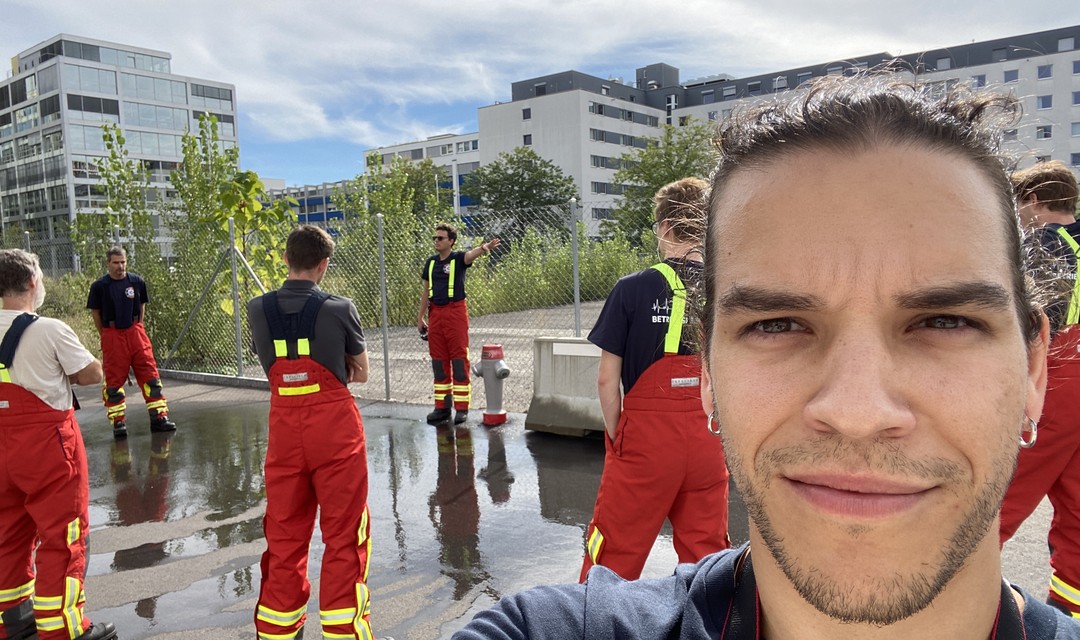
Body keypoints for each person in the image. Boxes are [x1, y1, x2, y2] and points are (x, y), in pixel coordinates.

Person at [451, 75, 1080, 639]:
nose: (857, 412)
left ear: (1033, 370)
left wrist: (617, 430)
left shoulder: (632, 287)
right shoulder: (548, 630)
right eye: (777, 325)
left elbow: (608, 375)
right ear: (709, 378)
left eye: (945, 321)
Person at [579, 177, 730, 582]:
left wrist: (619, 439)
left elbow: (606, 382)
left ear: (664, 229)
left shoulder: (631, 290)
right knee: (708, 558)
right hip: (708, 440)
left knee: (612, 554)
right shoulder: (724, 290)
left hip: (645, 443)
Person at [247, 224, 374, 640]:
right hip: (334, 431)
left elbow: (270, 362)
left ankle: (278, 632)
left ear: (286, 259)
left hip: (284, 429)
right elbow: (363, 372)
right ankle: (344, 632)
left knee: (284, 534)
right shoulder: (340, 308)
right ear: (323, 265)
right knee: (343, 534)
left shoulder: (256, 308)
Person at [0, 249, 117, 640]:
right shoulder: (48, 329)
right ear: (33, 282)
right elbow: (90, 373)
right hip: (47, 449)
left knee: (7, 533)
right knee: (62, 535)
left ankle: (12, 622)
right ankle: (62, 629)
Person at [1000, 160, 1080, 618]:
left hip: (1058, 378)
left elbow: (1025, 328)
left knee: (997, 496)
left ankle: (946, 601)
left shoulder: (1042, 246)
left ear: (1033, 200)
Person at [86, 246, 175, 438]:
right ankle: (119, 423)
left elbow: (141, 307)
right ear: (108, 263)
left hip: (135, 332)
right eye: (116, 262)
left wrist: (138, 327)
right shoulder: (99, 286)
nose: (120, 266)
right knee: (114, 380)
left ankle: (159, 418)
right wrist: (106, 335)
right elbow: (96, 314)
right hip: (112, 334)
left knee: (150, 374)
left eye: (123, 262)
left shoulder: (137, 282)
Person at [417, 224, 499, 425]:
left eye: (441, 238)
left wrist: (483, 248)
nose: (436, 241)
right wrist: (420, 318)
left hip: (455, 313)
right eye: (435, 238)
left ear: (451, 241)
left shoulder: (458, 258)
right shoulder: (430, 263)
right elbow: (426, 292)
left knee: (459, 361)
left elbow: (470, 256)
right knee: (439, 362)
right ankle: (442, 408)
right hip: (435, 314)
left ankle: (461, 409)